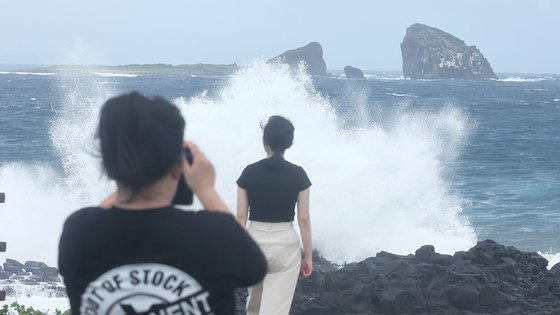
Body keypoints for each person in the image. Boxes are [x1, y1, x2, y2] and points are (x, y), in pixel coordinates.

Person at [58, 92, 266, 315]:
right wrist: (206, 190)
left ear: (108, 165)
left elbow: (103, 218)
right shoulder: (216, 234)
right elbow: (254, 270)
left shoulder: (79, 232)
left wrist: (124, 177)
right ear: (179, 166)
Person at [236, 115, 313, 315]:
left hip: (254, 243)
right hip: (284, 245)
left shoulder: (248, 173)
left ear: (264, 141)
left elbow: (241, 216)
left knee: (254, 306)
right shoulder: (299, 174)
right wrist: (309, 257)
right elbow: (304, 219)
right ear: (289, 143)